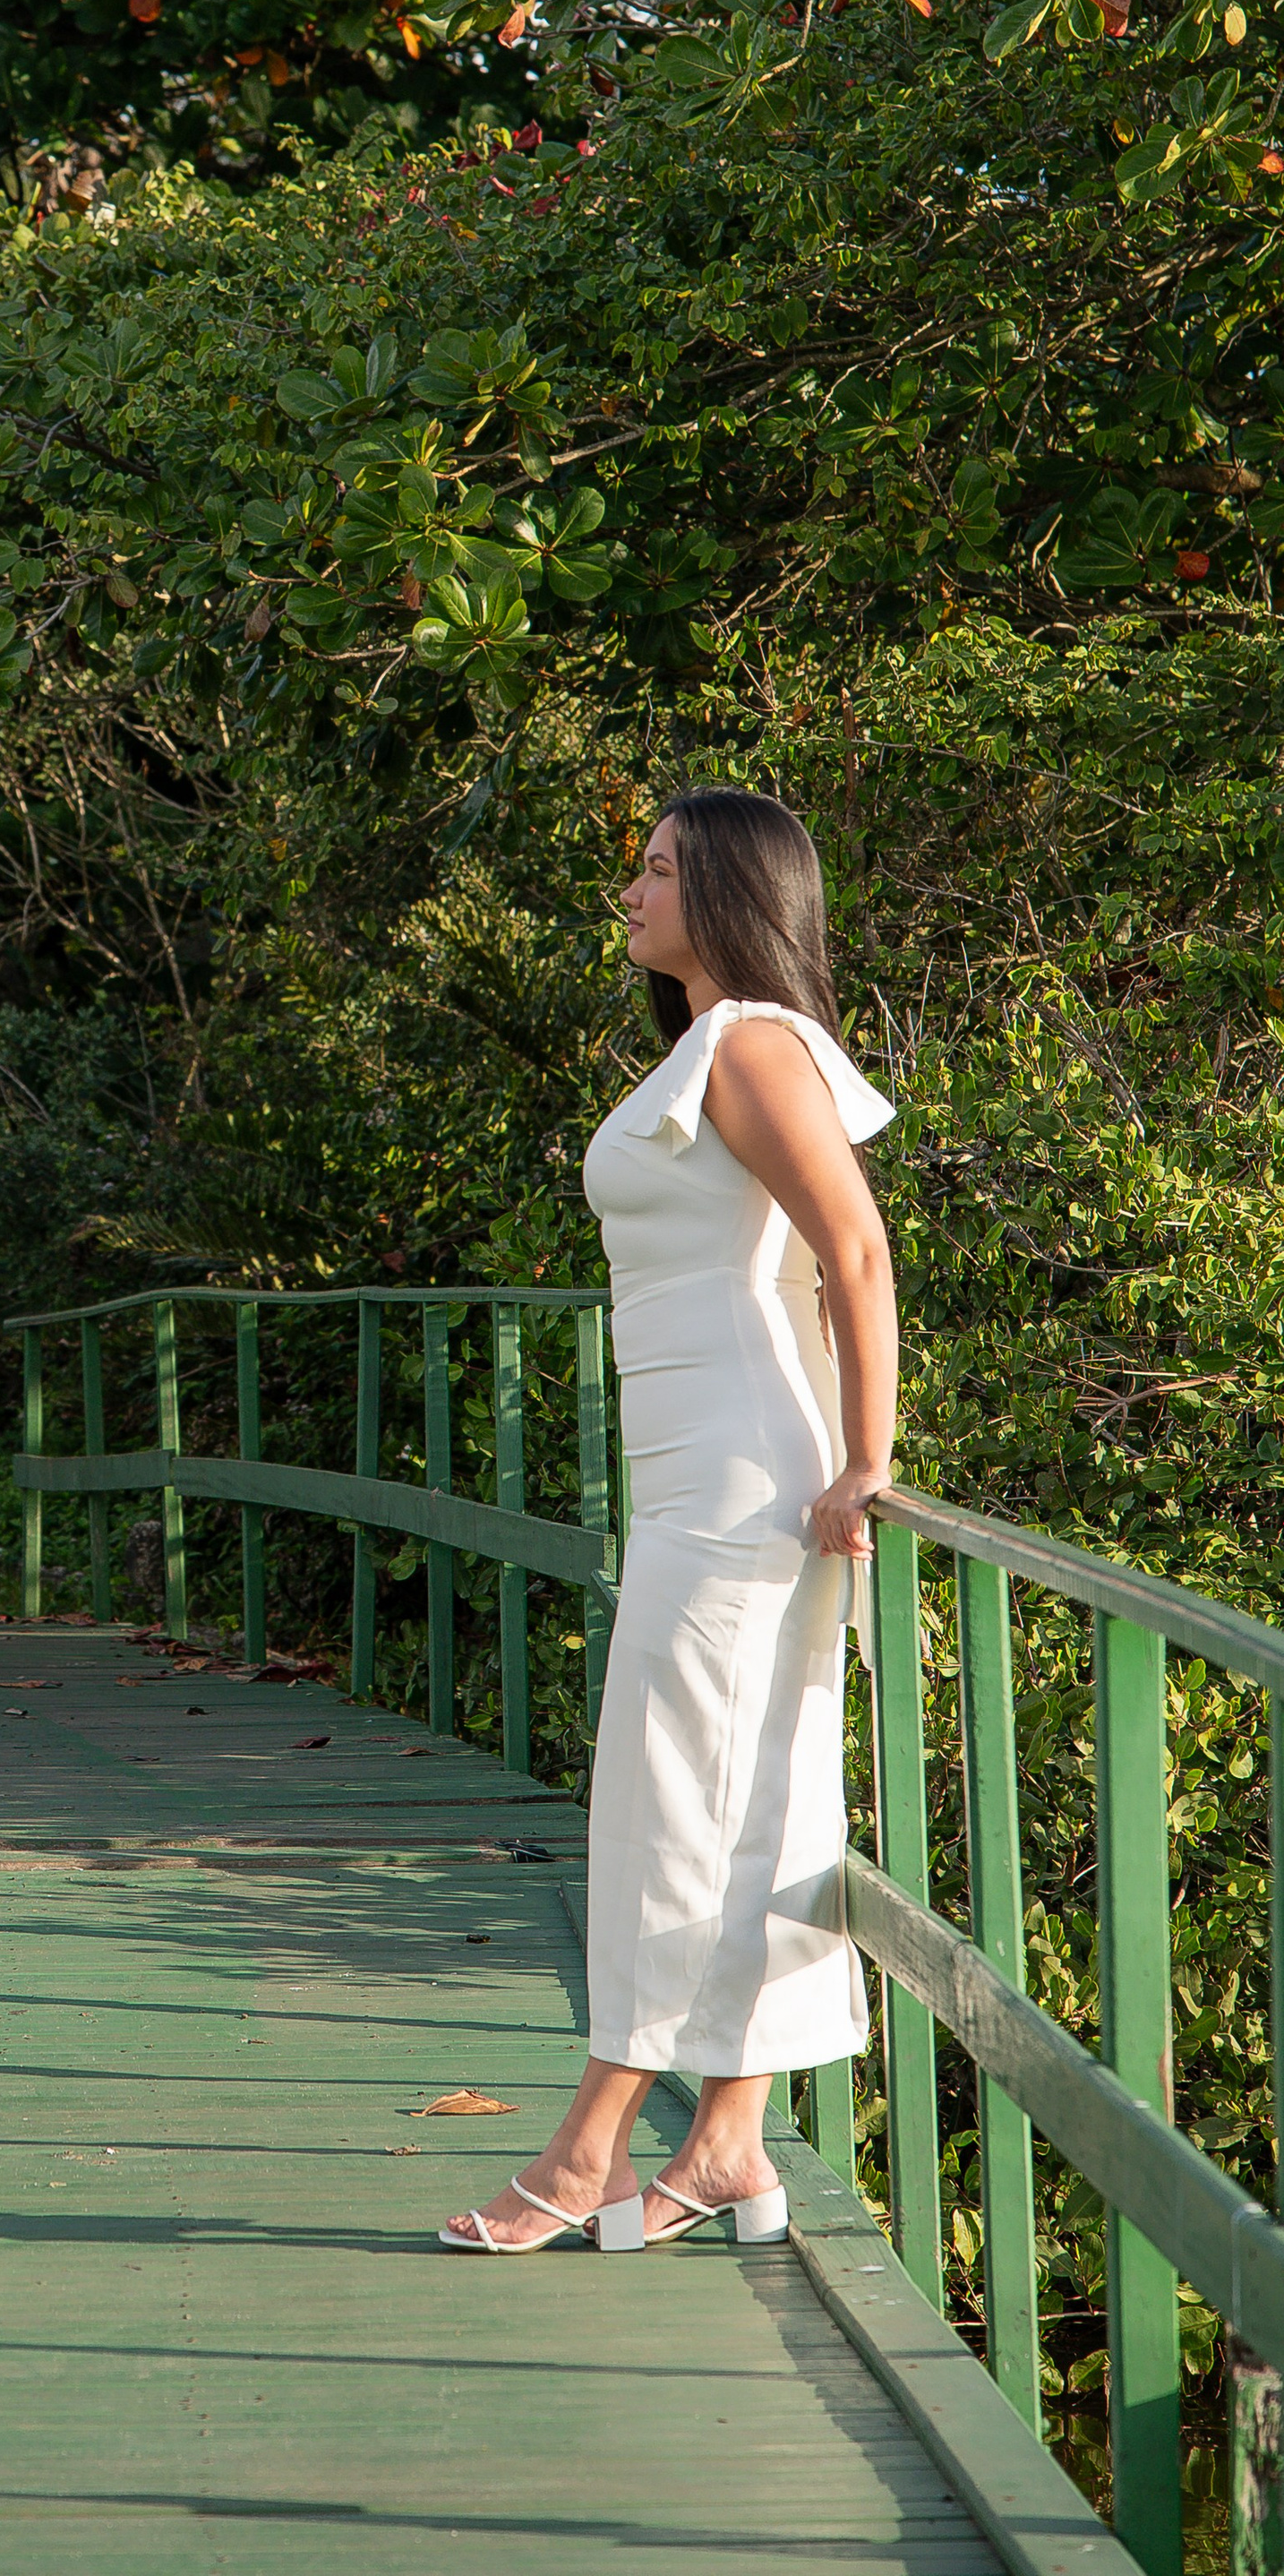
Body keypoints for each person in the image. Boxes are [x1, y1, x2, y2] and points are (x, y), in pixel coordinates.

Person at [443, 784, 895, 2256]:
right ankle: (726, 2145)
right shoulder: (714, 1047)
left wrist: (863, 1459)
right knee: (743, 1789)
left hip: (748, 1479)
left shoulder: (755, 1044)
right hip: (696, 1472)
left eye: (655, 869)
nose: (629, 892)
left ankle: (586, 2153)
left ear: (727, 892)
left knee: (670, 1794)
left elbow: (857, 1249)